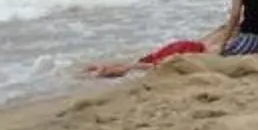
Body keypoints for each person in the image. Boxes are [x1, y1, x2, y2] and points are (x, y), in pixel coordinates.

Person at [79, 36, 216, 79]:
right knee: (139, 67)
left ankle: (99, 67)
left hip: (185, 44)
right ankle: (101, 72)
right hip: (190, 49)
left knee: (140, 63)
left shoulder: (223, 31)